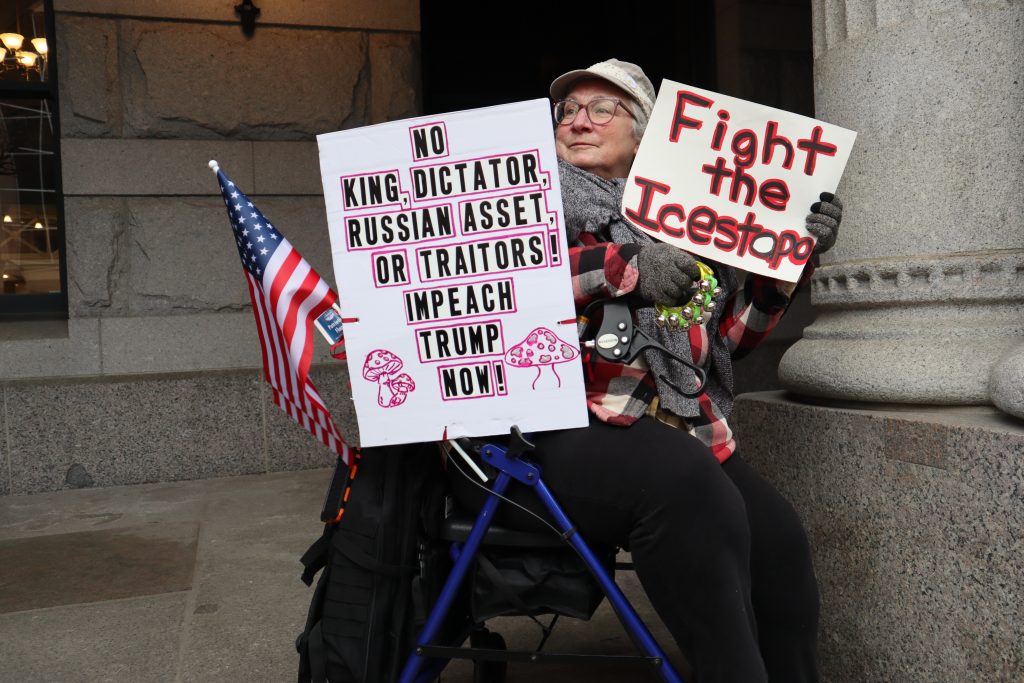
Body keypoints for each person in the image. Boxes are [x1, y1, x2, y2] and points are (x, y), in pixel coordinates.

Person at [450, 58, 840, 683]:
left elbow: (731, 337)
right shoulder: (512, 195)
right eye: (568, 110)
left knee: (779, 539)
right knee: (686, 485)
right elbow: (497, 282)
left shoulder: (684, 220)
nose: (579, 120)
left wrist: (788, 261)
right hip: (544, 431)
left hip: (680, 422)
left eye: (601, 109)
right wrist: (625, 266)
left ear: (643, 134)